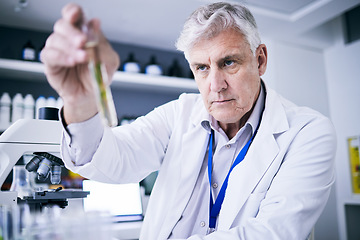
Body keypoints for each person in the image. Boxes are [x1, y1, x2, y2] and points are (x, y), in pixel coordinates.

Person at [41, 2, 336, 240]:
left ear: (259, 60)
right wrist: (81, 102)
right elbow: (113, 159)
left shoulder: (308, 132)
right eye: (201, 68)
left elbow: (274, 233)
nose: (215, 84)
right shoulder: (177, 115)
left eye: (228, 62)